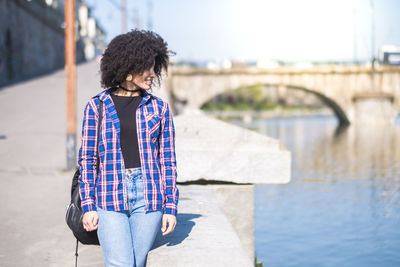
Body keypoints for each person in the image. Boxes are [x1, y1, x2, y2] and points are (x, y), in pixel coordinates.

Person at [78, 29, 179, 267]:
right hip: (108, 196)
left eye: (155, 66)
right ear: (128, 66)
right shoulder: (96, 107)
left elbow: (168, 161)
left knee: (137, 263)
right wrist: (89, 205)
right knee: (121, 264)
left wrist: (171, 207)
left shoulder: (159, 109)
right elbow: (87, 159)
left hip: (149, 197)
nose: (153, 73)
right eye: (148, 67)